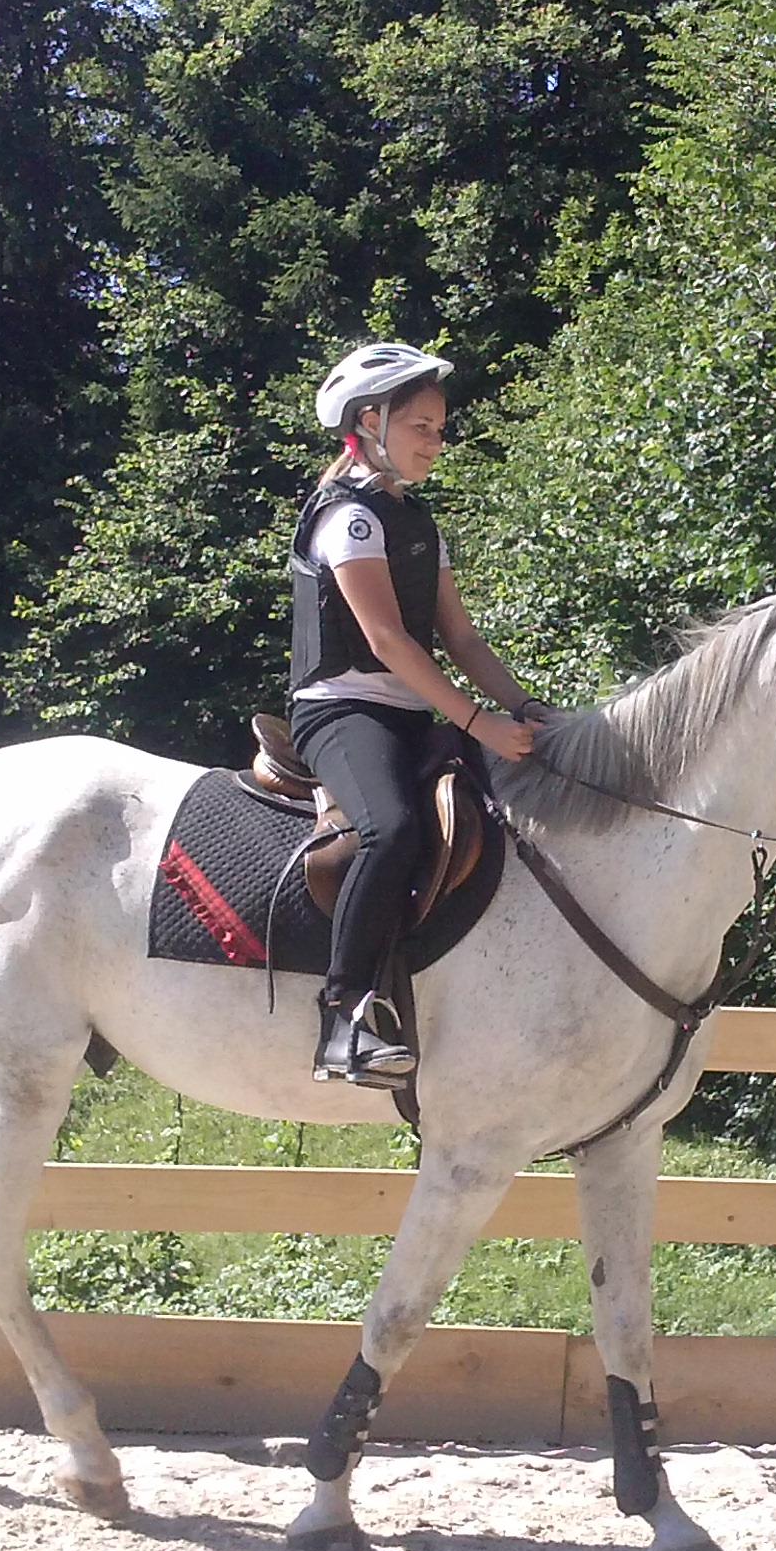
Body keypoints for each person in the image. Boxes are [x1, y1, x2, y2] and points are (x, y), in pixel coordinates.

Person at [290, 341, 553, 1087]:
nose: (436, 441)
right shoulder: (349, 520)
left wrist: (527, 707)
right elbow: (387, 640)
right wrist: (479, 724)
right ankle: (341, 1019)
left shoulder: (417, 522)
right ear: (370, 421)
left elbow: (461, 638)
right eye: (421, 427)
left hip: (412, 713)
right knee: (393, 829)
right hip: (342, 711)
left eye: (439, 428)